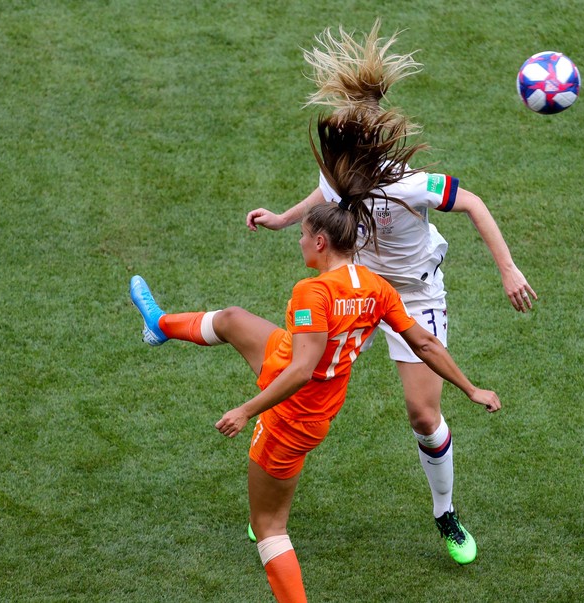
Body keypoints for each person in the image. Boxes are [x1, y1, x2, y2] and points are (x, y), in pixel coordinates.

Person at [129, 110, 501, 603]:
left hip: (297, 400)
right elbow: (424, 344)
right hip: (313, 350)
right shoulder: (374, 289)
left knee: (269, 527)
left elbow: (304, 368)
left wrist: (245, 409)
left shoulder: (313, 294)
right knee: (234, 320)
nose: (299, 240)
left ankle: (442, 514)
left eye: (303, 235)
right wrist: (472, 388)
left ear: (322, 241)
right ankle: (160, 326)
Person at [245, 21, 537, 565]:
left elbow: (472, 202)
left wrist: (509, 270)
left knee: (423, 416)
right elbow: (324, 195)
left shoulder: (410, 182)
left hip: (412, 294)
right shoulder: (342, 175)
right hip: (356, 290)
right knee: (299, 388)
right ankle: (269, 511)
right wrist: (284, 219)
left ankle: (445, 513)